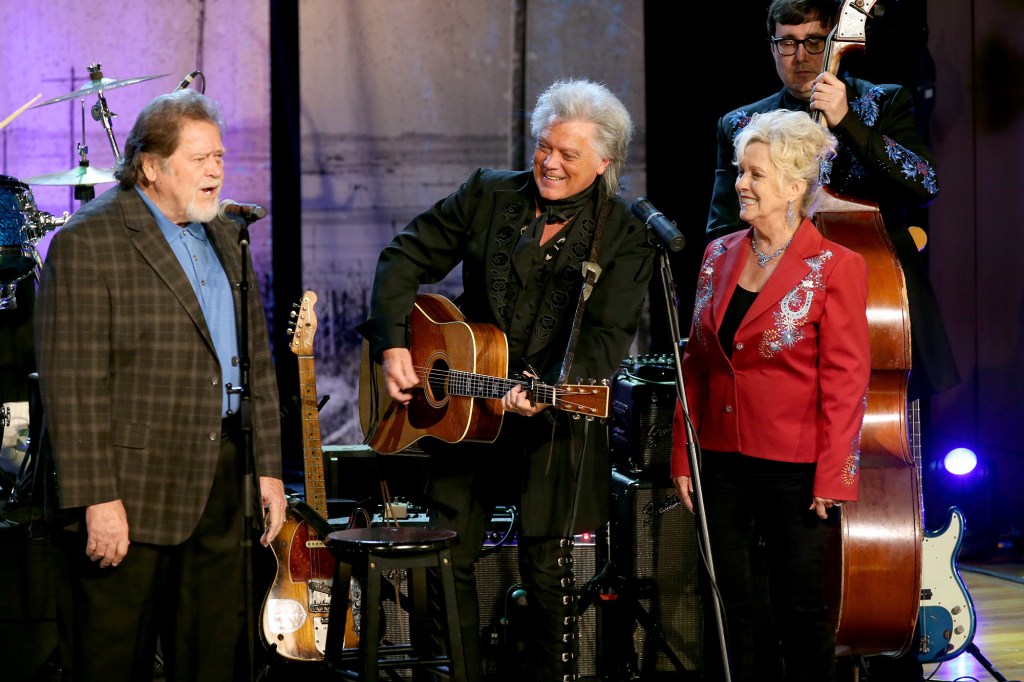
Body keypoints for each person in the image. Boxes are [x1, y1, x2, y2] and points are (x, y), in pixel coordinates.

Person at [357, 77, 655, 681]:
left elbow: (605, 335)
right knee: (451, 557)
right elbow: (404, 256)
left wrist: (545, 388)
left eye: (568, 154)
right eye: (544, 146)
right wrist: (393, 346)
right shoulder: (488, 193)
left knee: (547, 571)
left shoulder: (626, 230)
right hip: (463, 411)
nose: (549, 161)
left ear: (604, 162)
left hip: (550, 420)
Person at [34, 89, 287, 682]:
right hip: (131, 493)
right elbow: (72, 385)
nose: (217, 171)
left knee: (215, 660)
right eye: (200, 159)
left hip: (223, 485)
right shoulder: (88, 242)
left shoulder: (226, 233)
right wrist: (97, 498)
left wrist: (268, 469)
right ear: (151, 166)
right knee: (111, 659)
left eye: (220, 157)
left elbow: (256, 362)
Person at [672, 109, 870, 682]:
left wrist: (835, 475)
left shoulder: (837, 267)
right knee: (729, 607)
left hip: (797, 469)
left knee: (799, 609)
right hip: (721, 460)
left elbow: (846, 381)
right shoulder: (717, 254)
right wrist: (684, 453)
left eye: (755, 174)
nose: (741, 184)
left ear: (793, 187)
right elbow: (696, 362)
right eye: (741, 171)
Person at [707, 0, 959, 401]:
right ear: (772, 47)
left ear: (835, 42)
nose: (801, 56)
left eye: (814, 41)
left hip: (876, 300)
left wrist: (847, 121)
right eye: (787, 43)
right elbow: (723, 230)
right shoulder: (742, 124)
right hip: (781, 305)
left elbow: (923, 184)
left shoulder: (884, 102)